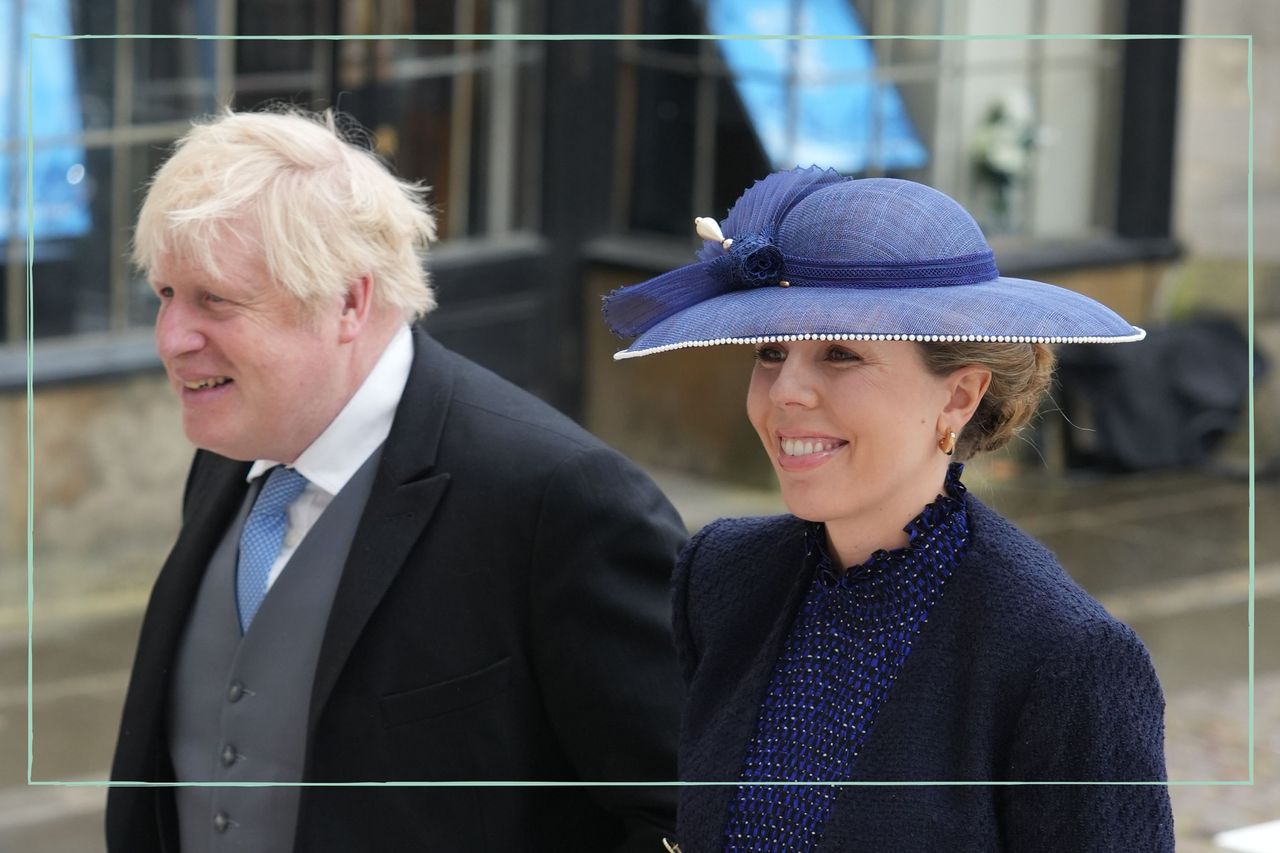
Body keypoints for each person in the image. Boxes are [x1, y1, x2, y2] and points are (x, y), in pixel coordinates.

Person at [106, 107, 686, 853]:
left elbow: (685, 812)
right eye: (164, 294)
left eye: (215, 299)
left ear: (350, 300)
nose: (172, 339)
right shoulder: (229, 452)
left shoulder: (560, 499)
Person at [603, 169, 1174, 852]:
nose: (785, 391)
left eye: (840, 352)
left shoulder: (1063, 656)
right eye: (770, 350)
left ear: (959, 398)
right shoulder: (721, 573)